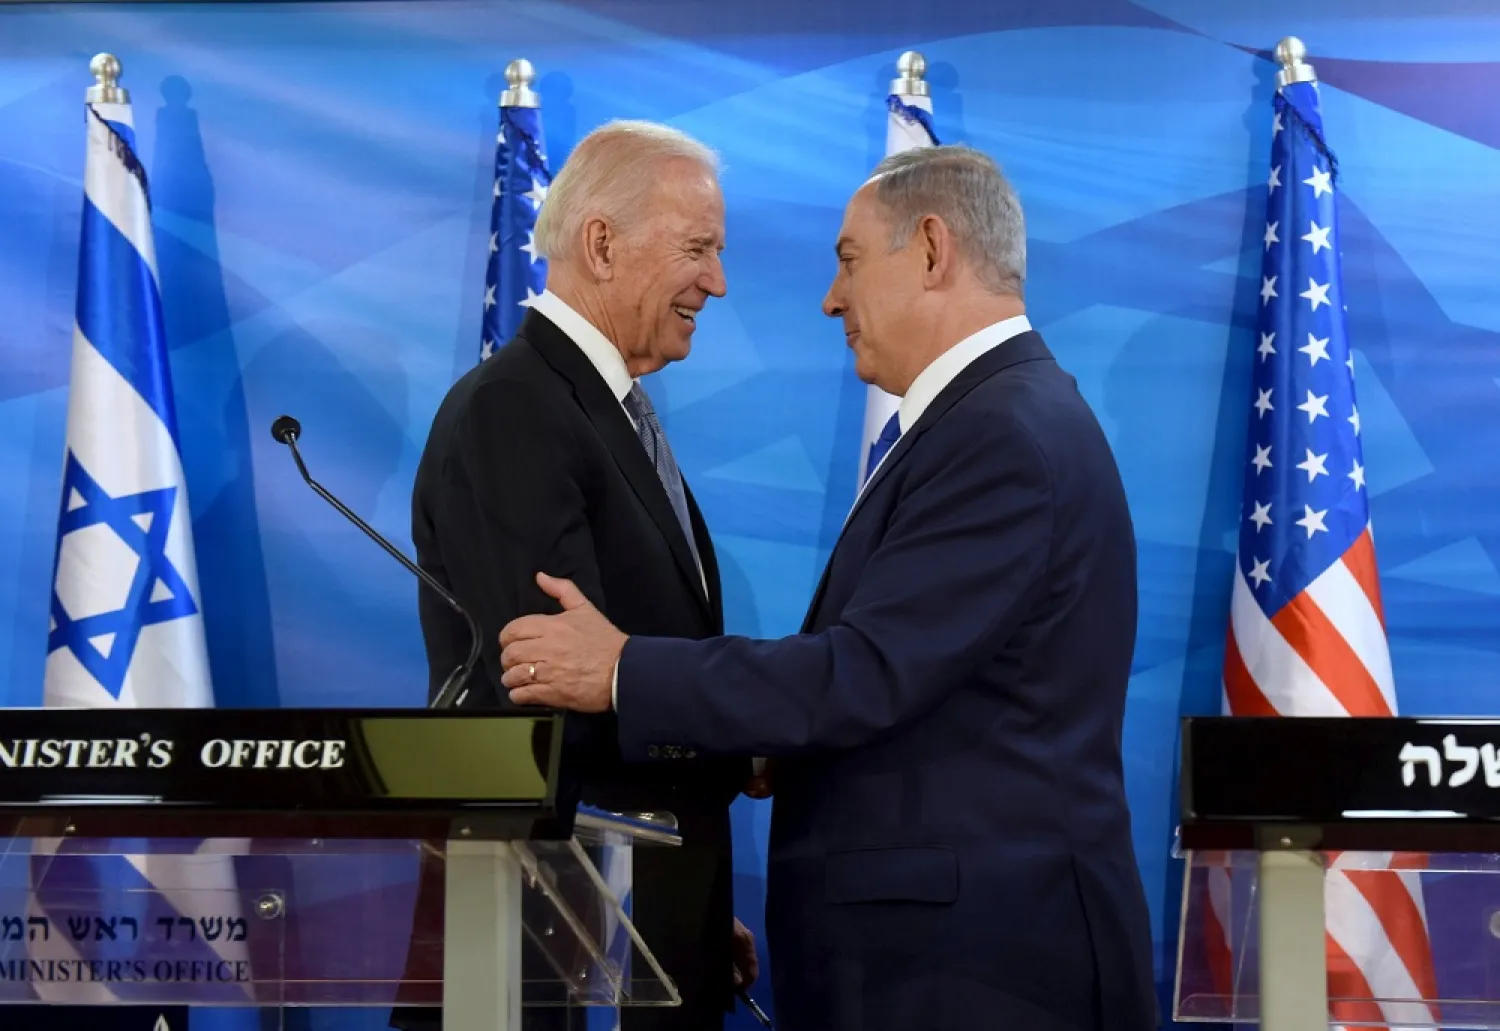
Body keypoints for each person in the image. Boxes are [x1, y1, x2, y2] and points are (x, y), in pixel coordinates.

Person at [494, 145, 1158, 1031]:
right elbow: (924, 674)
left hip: (974, 975)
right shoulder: (994, 420)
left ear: (931, 249)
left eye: (848, 261)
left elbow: (869, 669)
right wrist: (776, 744)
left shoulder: (1003, 435)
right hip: (949, 961)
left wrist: (621, 670)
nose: (830, 298)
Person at [399, 120, 756, 1030]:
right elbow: (549, 696)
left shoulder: (605, 410)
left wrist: (692, 894)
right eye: (698, 249)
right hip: (536, 954)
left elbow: (625, 657)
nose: (716, 281)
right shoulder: (515, 409)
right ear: (602, 242)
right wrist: (742, 731)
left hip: (625, 921)